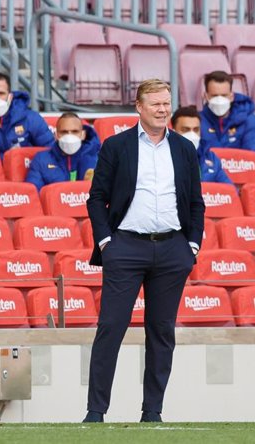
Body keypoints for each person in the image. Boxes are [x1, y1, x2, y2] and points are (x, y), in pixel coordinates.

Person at [84, 79, 205, 424]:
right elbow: (96, 197)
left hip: (172, 250)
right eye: (155, 104)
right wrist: (107, 242)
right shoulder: (117, 145)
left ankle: (152, 412)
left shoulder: (183, 148)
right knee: (111, 327)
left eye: (167, 103)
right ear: (139, 107)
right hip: (126, 247)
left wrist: (191, 245)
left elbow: (196, 201)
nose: (163, 110)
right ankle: (96, 412)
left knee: (161, 331)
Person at [0, 72, 54, 156]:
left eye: (1, 93)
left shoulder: (31, 119)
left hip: (26, 171)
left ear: (10, 97)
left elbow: (50, 153)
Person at [25, 112, 100, 191]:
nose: (69, 136)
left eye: (75, 132)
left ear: (83, 135)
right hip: (53, 203)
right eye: (64, 132)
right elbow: (33, 193)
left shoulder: (98, 159)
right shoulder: (41, 160)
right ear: (56, 135)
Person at [199, 70, 255, 160]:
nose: (219, 100)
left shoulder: (248, 120)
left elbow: (254, 156)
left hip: (240, 172)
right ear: (206, 96)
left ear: (231, 96)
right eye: (214, 96)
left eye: (224, 95)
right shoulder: (197, 121)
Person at [171, 106, 232, 185]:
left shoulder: (211, 157)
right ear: (173, 131)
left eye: (196, 130)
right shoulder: (164, 157)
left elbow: (229, 190)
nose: (192, 134)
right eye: (185, 130)